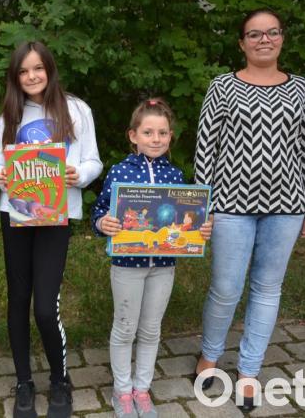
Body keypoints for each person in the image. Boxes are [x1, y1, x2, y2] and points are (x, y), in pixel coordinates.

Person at [192, 8, 305, 412]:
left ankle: (249, 370)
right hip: (231, 205)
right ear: (242, 42)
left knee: (268, 288)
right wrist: (202, 207)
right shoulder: (222, 87)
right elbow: (205, 149)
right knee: (226, 288)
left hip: (287, 206)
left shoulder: (301, 88)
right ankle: (210, 356)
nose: (264, 39)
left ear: (282, 38)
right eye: (254, 34)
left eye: (272, 32)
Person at [0, 41, 103, 418]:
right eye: (23, 71)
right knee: (18, 300)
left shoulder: (76, 109)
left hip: (56, 216)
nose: (31, 76)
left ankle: (60, 378)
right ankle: (24, 382)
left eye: (37, 68)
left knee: (44, 306)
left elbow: (93, 161)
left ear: (50, 69)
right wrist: (2, 177)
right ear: (15, 77)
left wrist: (79, 174)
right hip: (17, 216)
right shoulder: (9, 115)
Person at [91, 99, 213, 418]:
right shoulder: (119, 171)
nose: (155, 139)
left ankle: (142, 389)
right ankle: (122, 391)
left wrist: (200, 228)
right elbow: (99, 211)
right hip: (126, 266)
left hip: (163, 267)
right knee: (125, 328)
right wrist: (103, 223)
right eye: (148, 132)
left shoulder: (176, 175)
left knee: (151, 329)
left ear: (170, 136)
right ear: (133, 135)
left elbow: (186, 219)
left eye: (162, 133)